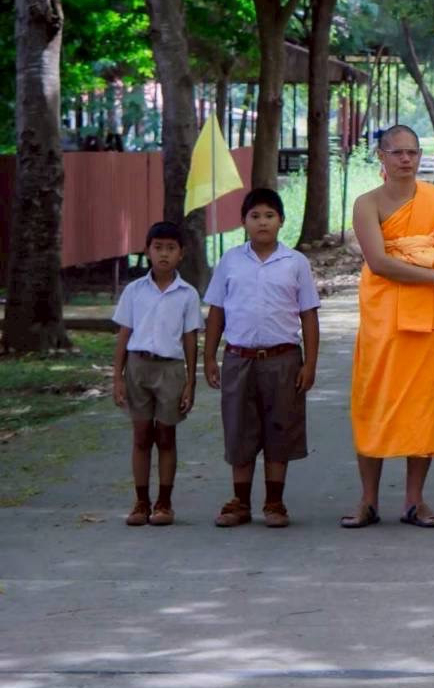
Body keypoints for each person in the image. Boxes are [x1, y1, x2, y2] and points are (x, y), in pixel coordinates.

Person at [343, 125, 434, 529]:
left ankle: (415, 501)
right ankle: (368, 500)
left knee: (422, 404)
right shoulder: (367, 204)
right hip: (383, 317)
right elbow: (379, 263)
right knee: (373, 400)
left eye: (412, 152)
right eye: (397, 152)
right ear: (381, 156)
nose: (406, 159)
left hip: (427, 317)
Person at [204, 189, 321, 529]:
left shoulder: (295, 262)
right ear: (243, 222)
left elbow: (309, 315)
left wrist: (310, 363)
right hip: (239, 359)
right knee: (239, 429)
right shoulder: (230, 261)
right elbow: (216, 312)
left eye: (269, 215)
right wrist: (209, 357)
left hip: (282, 359)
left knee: (279, 430)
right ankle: (239, 501)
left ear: (281, 221)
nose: (262, 222)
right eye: (254, 216)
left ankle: (275, 501)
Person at [111, 221, 203, 526]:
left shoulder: (187, 294)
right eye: (158, 247)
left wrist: (191, 381)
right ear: (148, 251)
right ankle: (140, 502)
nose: (164, 254)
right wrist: (117, 378)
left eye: (171, 248)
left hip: (171, 370)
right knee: (141, 436)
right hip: (138, 366)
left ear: (182, 254)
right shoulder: (134, 291)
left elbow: (191, 338)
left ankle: (164, 502)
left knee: (166, 435)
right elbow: (124, 334)